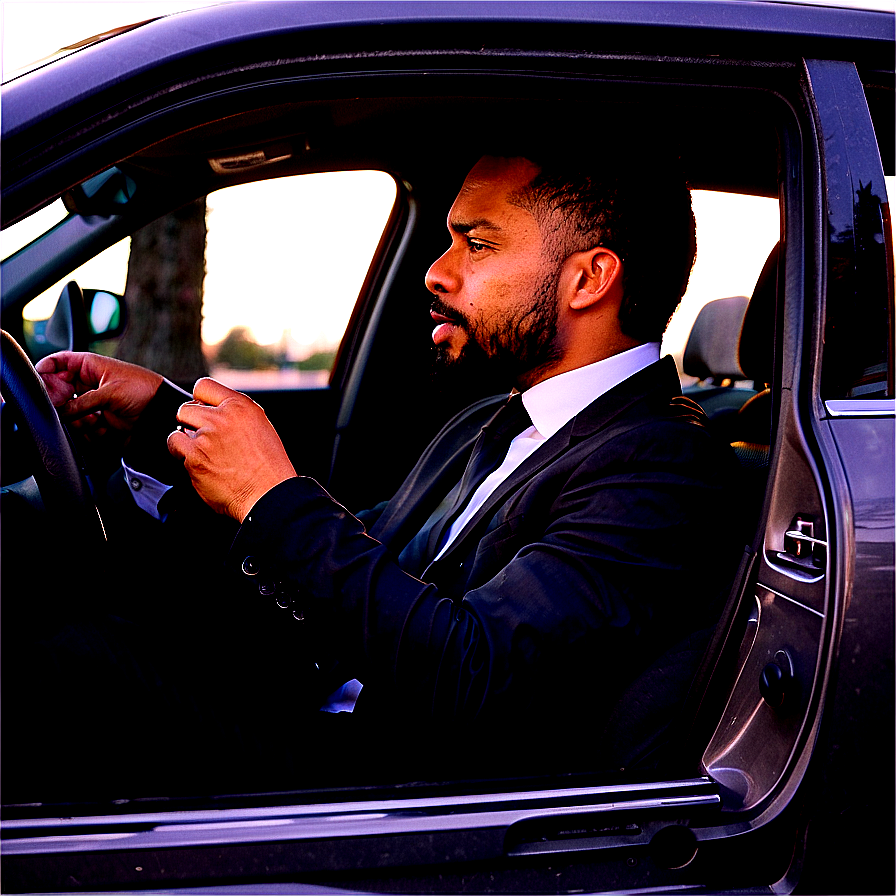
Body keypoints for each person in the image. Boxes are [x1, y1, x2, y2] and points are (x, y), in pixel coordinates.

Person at [32, 145, 742, 790]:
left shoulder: (663, 468)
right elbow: (365, 555)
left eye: (478, 244)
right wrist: (164, 420)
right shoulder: (496, 417)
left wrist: (272, 496)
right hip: (323, 704)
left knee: (70, 661)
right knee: (89, 625)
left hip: (401, 788)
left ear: (590, 278)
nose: (438, 272)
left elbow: (476, 673)